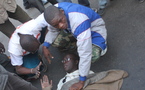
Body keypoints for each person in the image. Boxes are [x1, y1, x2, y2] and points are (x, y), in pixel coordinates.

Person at [42, 2, 107, 89]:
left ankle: (101, 45)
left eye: (61, 20)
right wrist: (45, 46)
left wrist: (81, 81)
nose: (60, 25)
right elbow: (52, 30)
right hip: (76, 31)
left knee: (91, 55)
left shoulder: (78, 20)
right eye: (56, 24)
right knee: (55, 41)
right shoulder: (55, 13)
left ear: (62, 12)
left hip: (94, 31)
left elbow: (85, 54)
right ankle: (78, 45)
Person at [8, 13, 58, 80]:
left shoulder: (33, 26)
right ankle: (36, 61)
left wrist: (46, 44)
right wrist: (33, 70)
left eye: (38, 47)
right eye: (33, 50)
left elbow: (50, 16)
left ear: (34, 37)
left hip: (38, 38)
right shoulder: (14, 50)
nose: (37, 49)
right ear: (24, 49)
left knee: (56, 36)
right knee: (30, 69)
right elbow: (18, 69)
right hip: (25, 55)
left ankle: (40, 51)